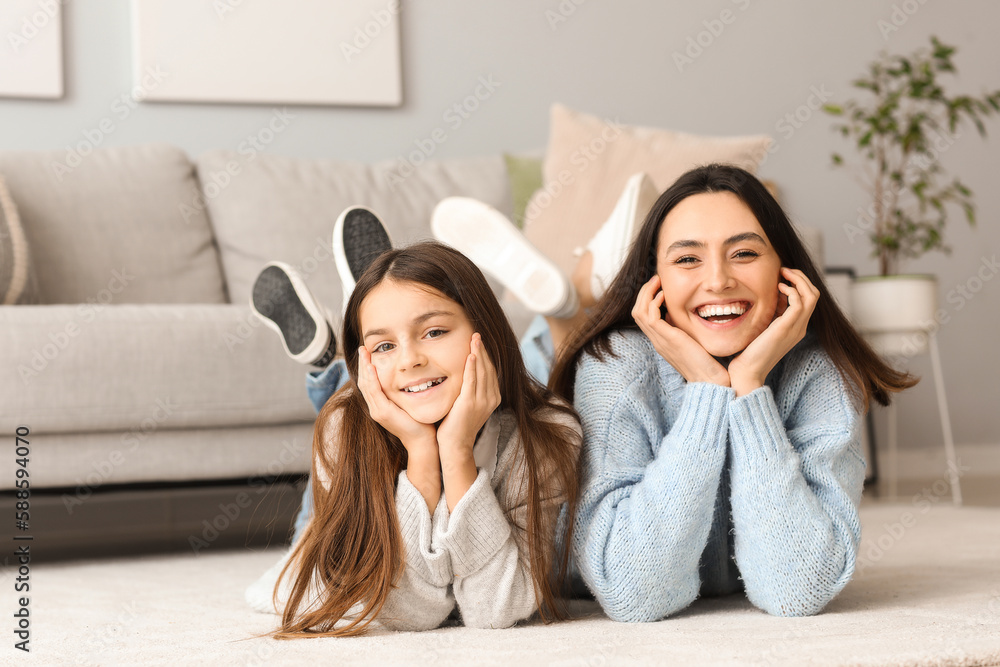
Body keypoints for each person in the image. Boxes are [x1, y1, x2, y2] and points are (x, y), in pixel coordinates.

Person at [537, 163, 917, 622]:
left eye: (744, 254)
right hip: (555, 399)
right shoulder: (616, 361)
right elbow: (633, 592)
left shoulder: (821, 371)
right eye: (686, 258)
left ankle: (581, 288)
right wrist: (706, 392)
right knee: (531, 368)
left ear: (785, 271)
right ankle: (574, 295)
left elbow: (794, 589)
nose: (718, 280)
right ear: (653, 281)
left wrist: (748, 387)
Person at [246, 212, 582, 637]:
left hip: (413, 402)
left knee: (378, 392)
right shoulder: (340, 429)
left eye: (434, 332)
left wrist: (457, 453)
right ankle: (339, 361)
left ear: (487, 331)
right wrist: (422, 454)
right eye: (384, 344)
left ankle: (340, 352)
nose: (409, 358)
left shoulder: (548, 434)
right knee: (306, 547)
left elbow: (496, 608)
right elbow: (407, 615)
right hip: (355, 459)